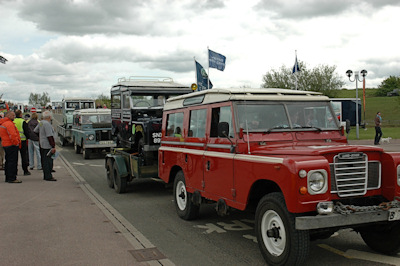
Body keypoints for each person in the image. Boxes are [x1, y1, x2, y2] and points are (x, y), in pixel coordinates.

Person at [34, 110, 57, 181]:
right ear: (50, 117)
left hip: (42, 144)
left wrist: (40, 137)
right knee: (48, 161)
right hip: (47, 145)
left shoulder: (41, 123)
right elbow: (50, 136)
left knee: (44, 160)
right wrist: (53, 146)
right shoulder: (47, 124)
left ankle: (46, 175)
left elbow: (35, 131)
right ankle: (48, 176)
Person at [0, 111, 22, 183]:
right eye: (13, 115)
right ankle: (12, 178)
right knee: (12, 162)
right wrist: (16, 143)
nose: (14, 117)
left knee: (8, 161)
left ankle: (8, 177)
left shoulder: (3, 123)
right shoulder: (9, 124)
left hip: (6, 144)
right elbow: (12, 135)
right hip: (11, 145)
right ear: (8, 115)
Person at [14, 110, 31, 175]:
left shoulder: (13, 121)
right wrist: (28, 137)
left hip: (15, 140)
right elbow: (26, 131)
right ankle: (25, 170)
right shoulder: (23, 121)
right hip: (23, 140)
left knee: (15, 157)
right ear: (20, 114)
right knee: (24, 156)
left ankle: (15, 170)